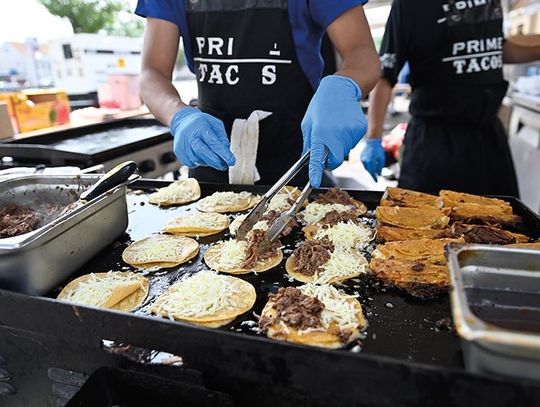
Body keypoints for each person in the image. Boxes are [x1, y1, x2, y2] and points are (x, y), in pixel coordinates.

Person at [136, 1, 380, 187]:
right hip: (211, 153)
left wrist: (343, 85)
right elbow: (152, 72)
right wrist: (179, 116)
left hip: (296, 156)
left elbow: (362, 52)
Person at [362, 0, 540, 196]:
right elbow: (385, 73)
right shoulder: (409, 5)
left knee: (500, 220)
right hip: (435, 143)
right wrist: (373, 137)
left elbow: (496, 47)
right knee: (424, 221)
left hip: (486, 138)